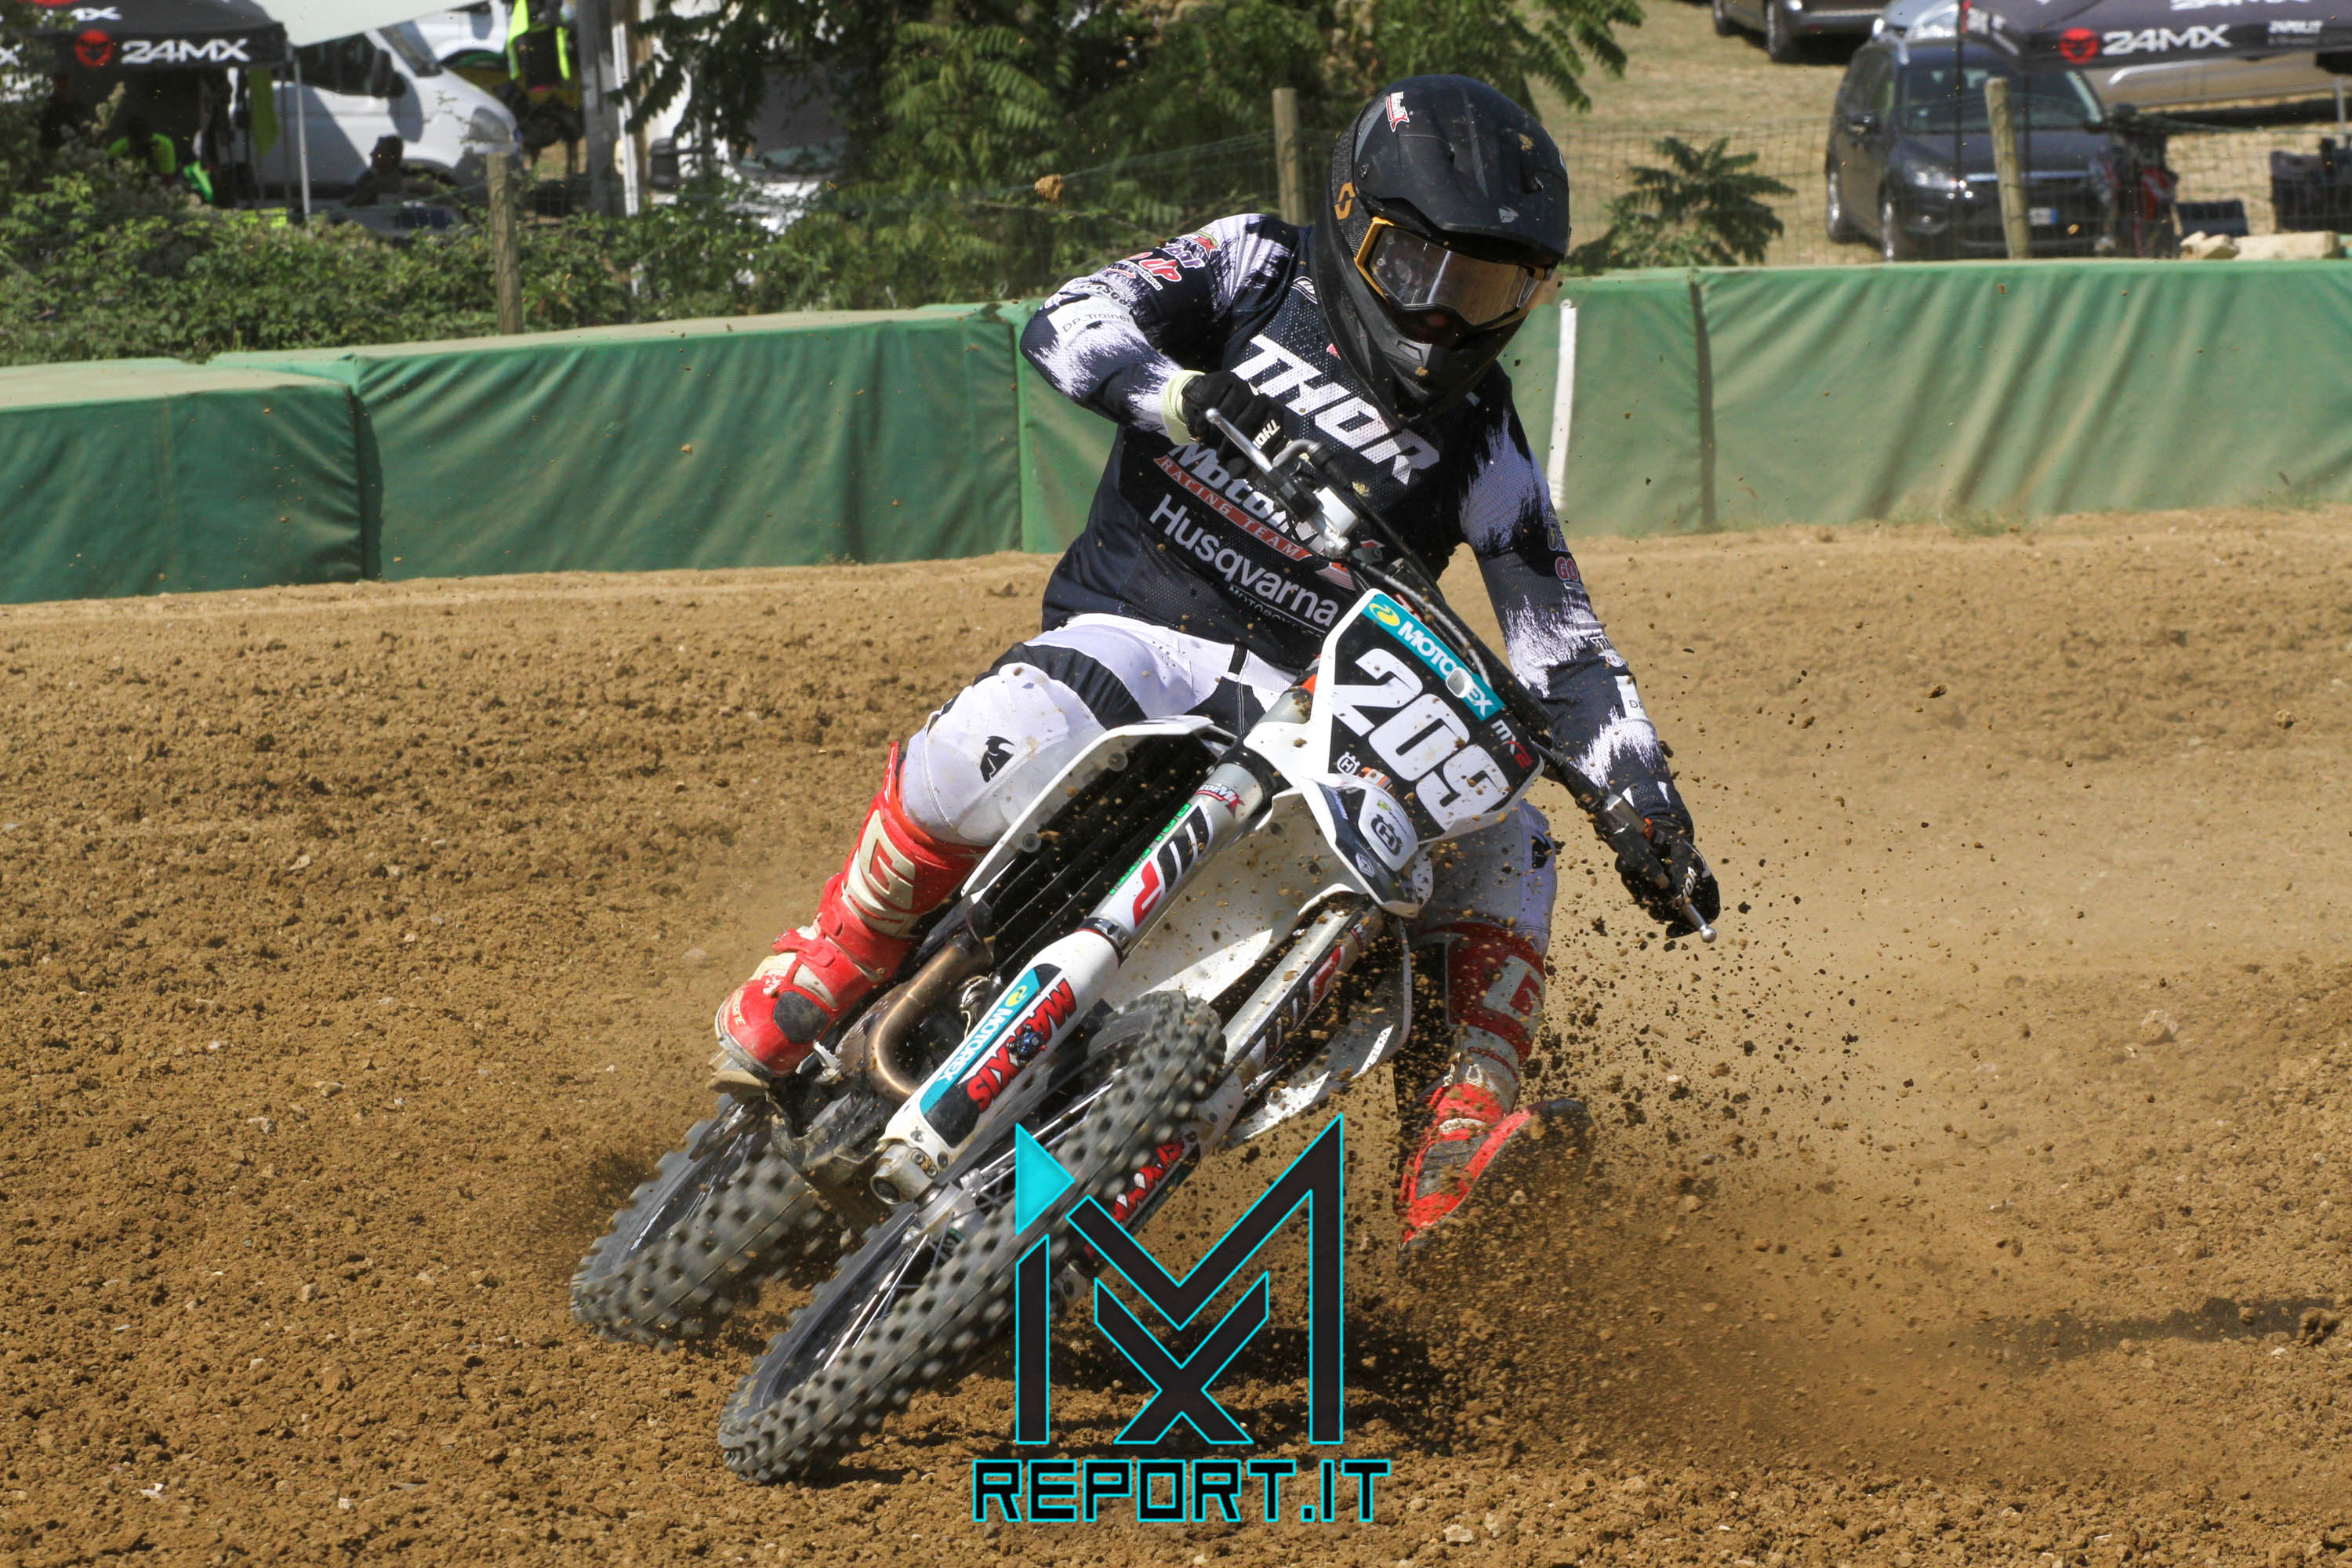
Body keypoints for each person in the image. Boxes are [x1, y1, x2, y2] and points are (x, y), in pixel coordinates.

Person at [712, 74, 1719, 1252]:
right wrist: (1189, 399)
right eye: (1418, 270)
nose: (1446, 316)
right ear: (1351, 219)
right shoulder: (1257, 267)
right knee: (997, 739)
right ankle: (842, 952)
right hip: (1140, 632)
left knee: (1511, 841)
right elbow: (1071, 321)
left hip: (1310, 708)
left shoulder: (1485, 433)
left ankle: (1456, 1146)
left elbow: (1562, 644)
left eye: (1487, 288)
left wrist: (1647, 803)